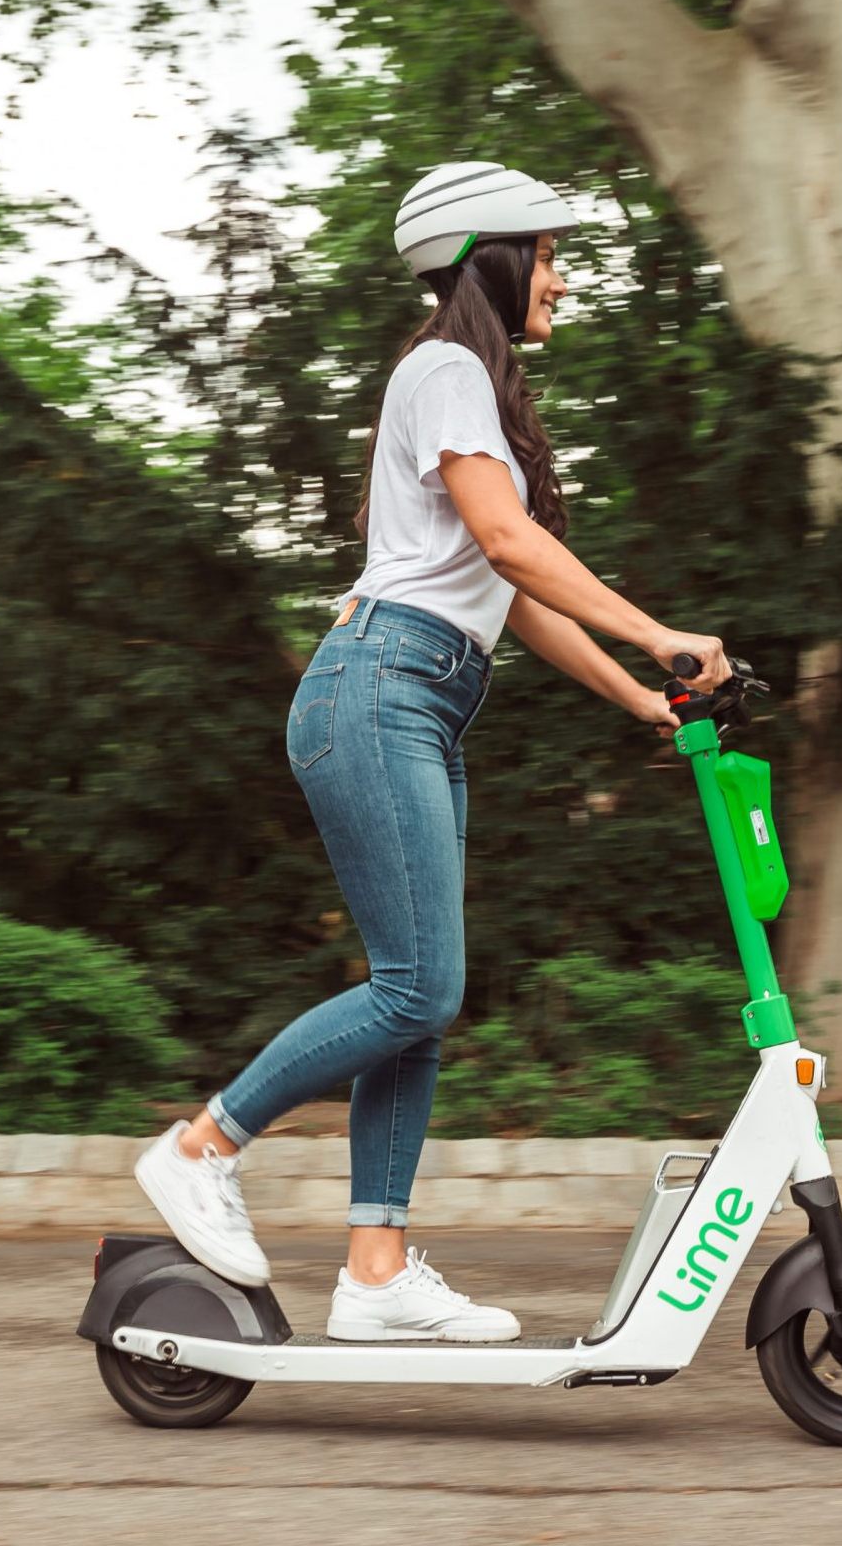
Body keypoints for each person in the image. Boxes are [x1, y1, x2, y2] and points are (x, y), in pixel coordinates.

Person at [134, 161, 732, 1342]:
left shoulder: (464, 385)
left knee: (418, 997)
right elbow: (510, 547)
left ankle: (375, 1270)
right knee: (420, 985)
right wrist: (664, 633)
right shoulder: (449, 366)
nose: (561, 279)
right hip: (380, 688)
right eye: (548, 255)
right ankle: (200, 1148)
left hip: (422, 693)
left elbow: (507, 596)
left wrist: (640, 699)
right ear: (490, 257)